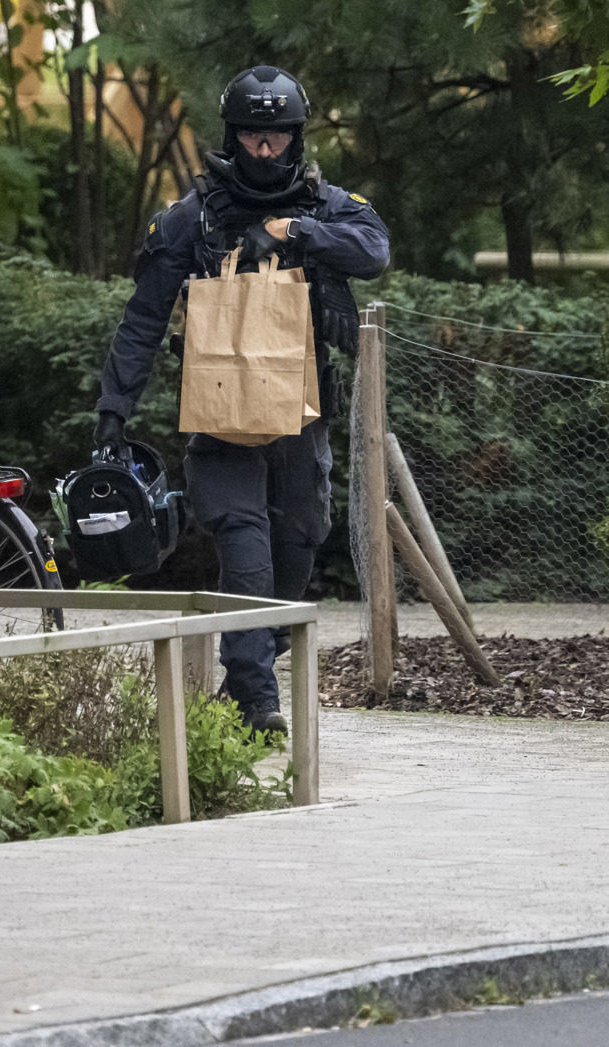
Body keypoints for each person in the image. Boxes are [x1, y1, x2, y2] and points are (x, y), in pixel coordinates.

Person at [94, 66, 390, 736]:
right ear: (232, 136)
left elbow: (374, 251)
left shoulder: (324, 205)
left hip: (300, 413)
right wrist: (113, 409)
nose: (264, 149)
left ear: (295, 137)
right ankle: (257, 702)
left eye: (277, 136)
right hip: (221, 416)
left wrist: (291, 232)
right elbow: (142, 320)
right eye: (253, 136)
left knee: (299, 540)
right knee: (245, 546)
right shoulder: (192, 217)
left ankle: (243, 674)